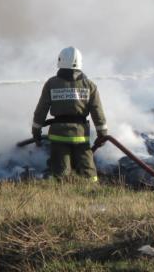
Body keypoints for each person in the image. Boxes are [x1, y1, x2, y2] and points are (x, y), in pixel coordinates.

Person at [32, 46, 108, 180]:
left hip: (58, 136)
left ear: (60, 61)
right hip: (81, 137)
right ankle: (91, 190)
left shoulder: (51, 84)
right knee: (88, 174)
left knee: (60, 174)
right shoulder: (89, 85)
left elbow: (41, 110)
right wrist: (102, 134)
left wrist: (36, 131)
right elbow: (97, 112)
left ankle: (62, 188)